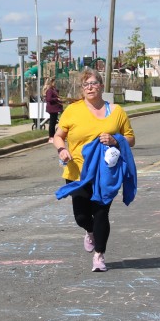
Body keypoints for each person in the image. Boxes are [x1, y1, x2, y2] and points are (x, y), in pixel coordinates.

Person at [52, 69, 136, 272]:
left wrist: (115, 140)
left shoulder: (116, 111)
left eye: (93, 83)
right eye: (86, 85)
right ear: (82, 89)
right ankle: (90, 231)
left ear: (101, 86)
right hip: (78, 172)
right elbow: (58, 136)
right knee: (81, 216)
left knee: (101, 213)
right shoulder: (73, 110)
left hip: (106, 173)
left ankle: (99, 255)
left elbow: (131, 139)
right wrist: (62, 150)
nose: (90, 87)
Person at [43, 77, 64, 143]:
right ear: (51, 83)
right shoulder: (49, 90)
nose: (55, 83)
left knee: (54, 122)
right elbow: (48, 99)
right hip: (52, 108)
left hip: (55, 108)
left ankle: (54, 135)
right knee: (52, 123)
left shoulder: (54, 89)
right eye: (54, 82)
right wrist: (56, 99)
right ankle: (51, 136)